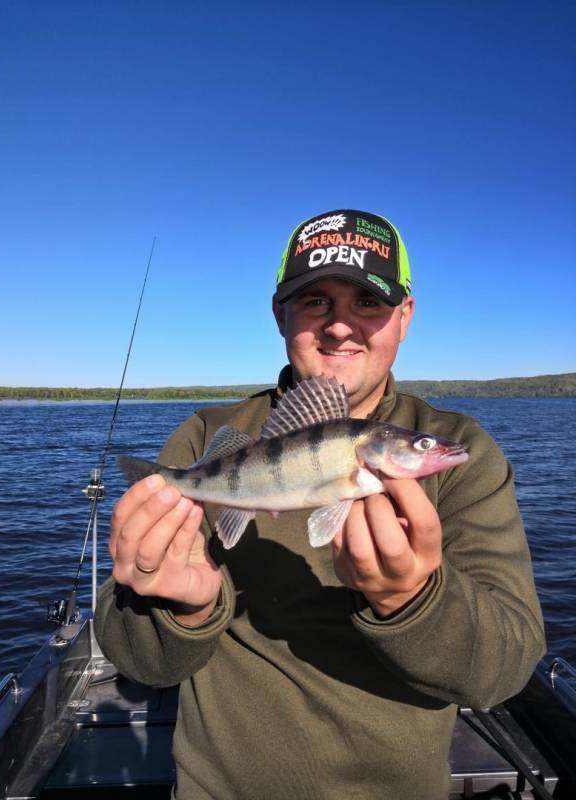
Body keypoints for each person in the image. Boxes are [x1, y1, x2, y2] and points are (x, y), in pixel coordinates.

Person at [94, 209, 545, 800]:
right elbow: (142, 663)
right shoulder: (208, 437)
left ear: (404, 317)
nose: (339, 327)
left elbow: (502, 672)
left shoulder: (470, 455)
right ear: (280, 314)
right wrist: (181, 607)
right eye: (314, 302)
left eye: (367, 302)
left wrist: (415, 601)